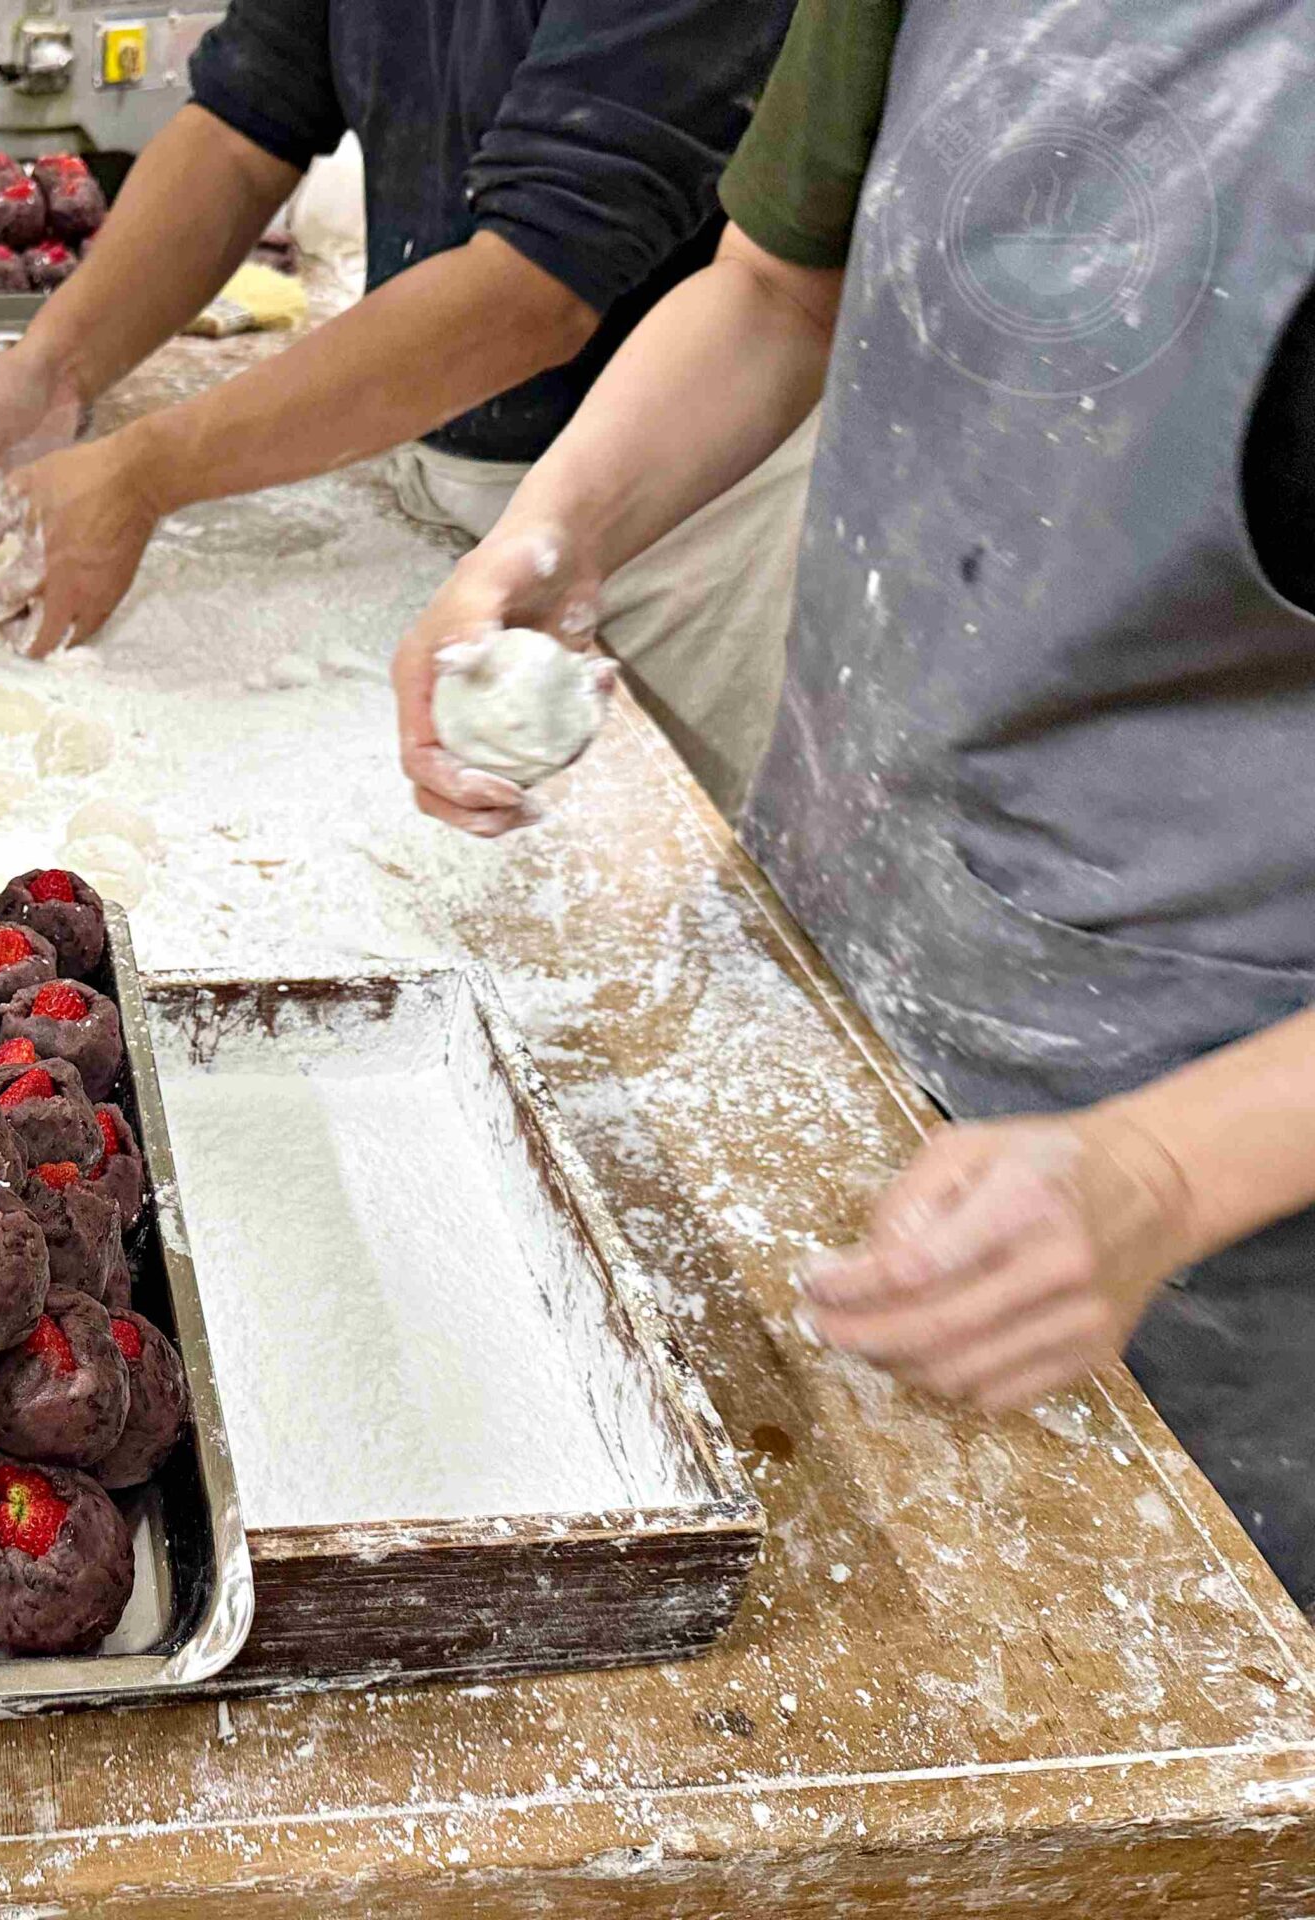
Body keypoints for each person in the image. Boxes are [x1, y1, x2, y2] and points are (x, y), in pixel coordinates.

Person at [389, 0, 1315, 1601]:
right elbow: (770, 294)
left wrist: (1165, 1172)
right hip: (828, 972)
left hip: (1207, 1156)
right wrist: (553, 537)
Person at [0, 0, 806, 816]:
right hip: (443, 438)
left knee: (612, 918)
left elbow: (534, 288)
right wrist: (57, 359)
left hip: (672, 509)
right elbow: (243, 129)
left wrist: (143, 473)